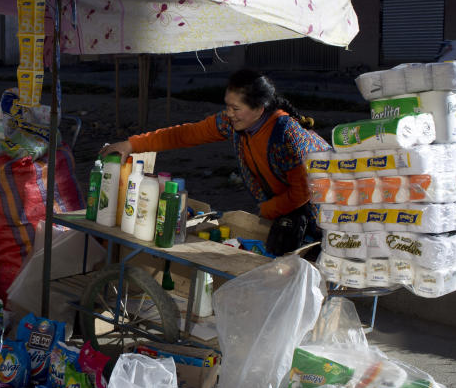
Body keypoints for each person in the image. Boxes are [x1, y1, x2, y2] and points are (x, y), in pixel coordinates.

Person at [99, 69, 328, 254]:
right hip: (287, 210)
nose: (229, 113)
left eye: (236, 108)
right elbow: (185, 134)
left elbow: (304, 190)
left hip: (325, 211)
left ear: (259, 108)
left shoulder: (286, 134)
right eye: (227, 105)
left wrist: (268, 209)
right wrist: (132, 145)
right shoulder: (233, 123)